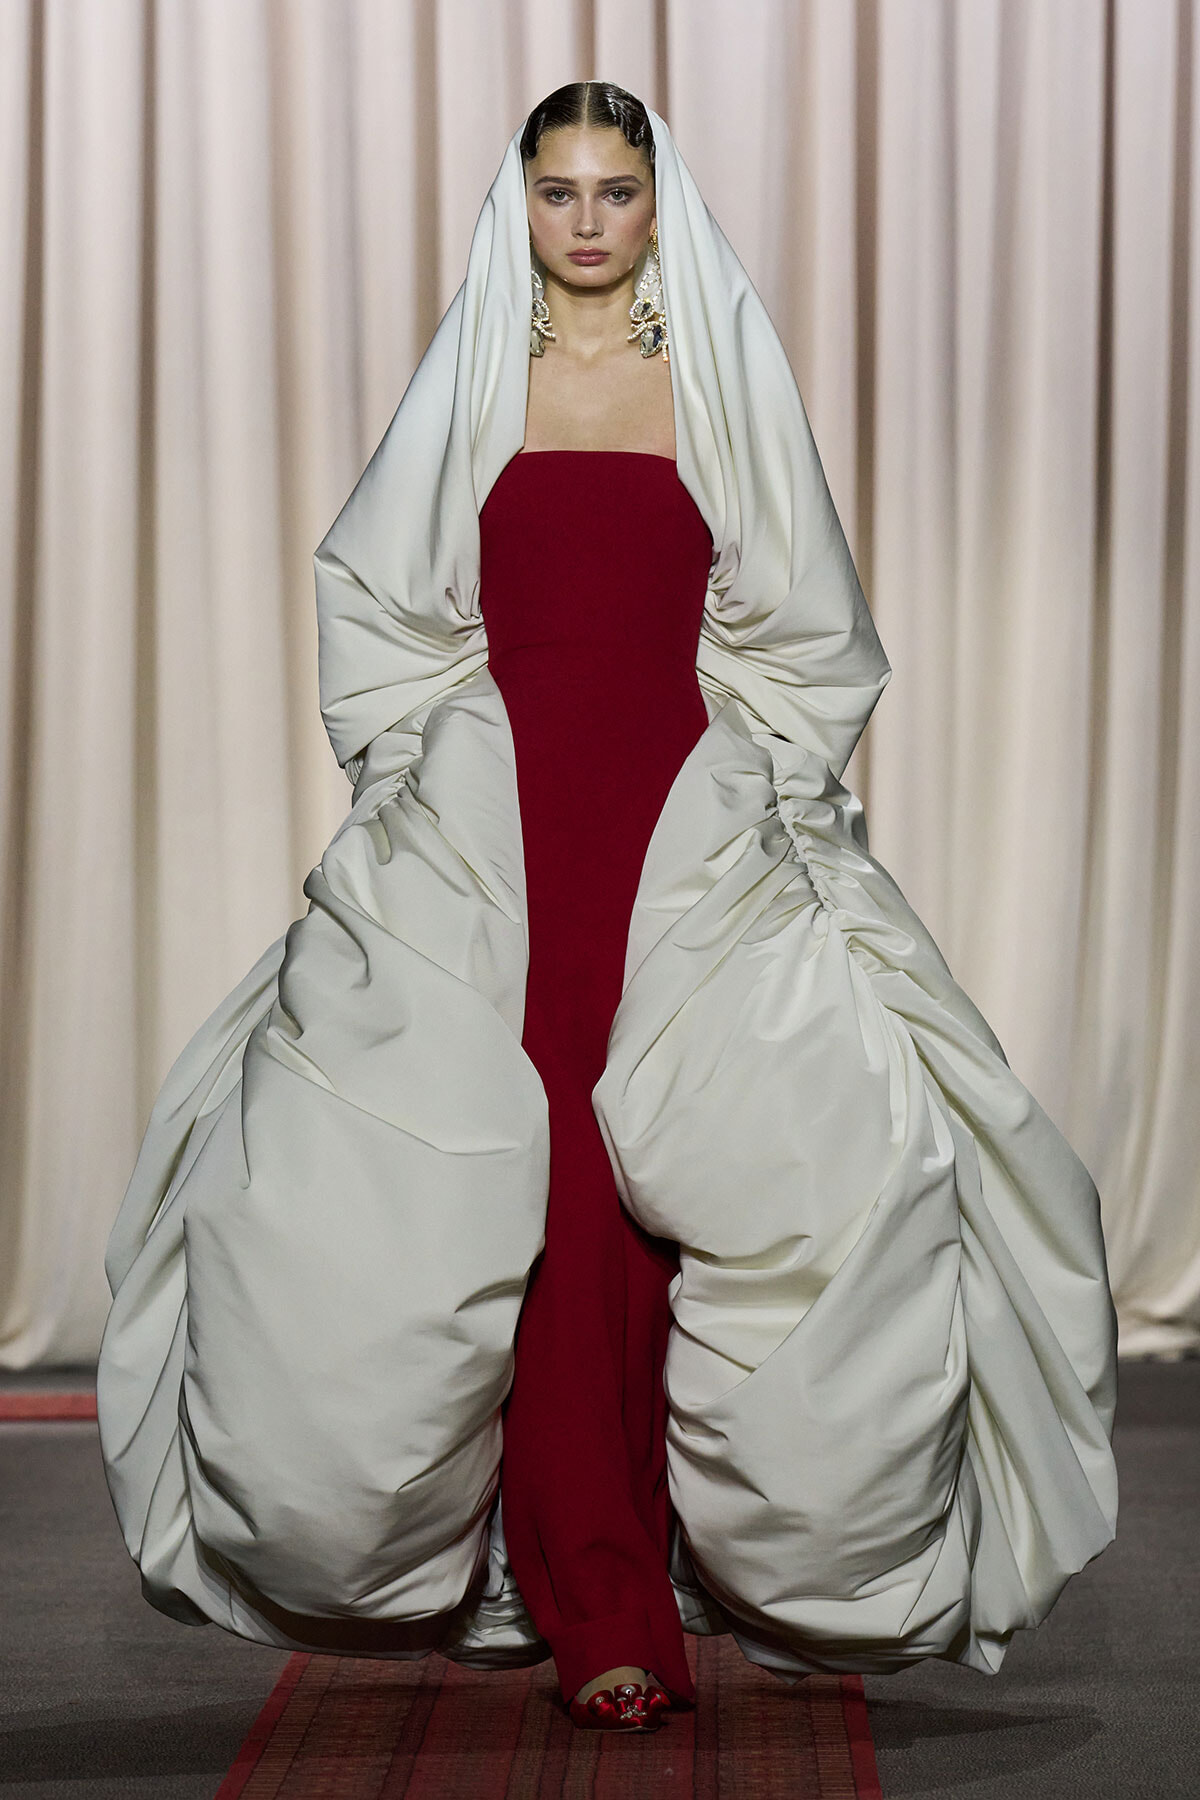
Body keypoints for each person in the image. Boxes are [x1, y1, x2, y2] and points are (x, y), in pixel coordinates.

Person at [96, 83, 1119, 1740]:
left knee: (671, 1194)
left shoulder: (710, 378)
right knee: (530, 1195)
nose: (588, 221)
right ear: (524, 204)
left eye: (617, 190)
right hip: (502, 835)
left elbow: (808, 615)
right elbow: (375, 595)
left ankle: (637, 1568)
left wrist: (766, 790)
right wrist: (422, 779)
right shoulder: (476, 387)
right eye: (562, 190)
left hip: (675, 819)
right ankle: (581, 1591)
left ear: (657, 204)